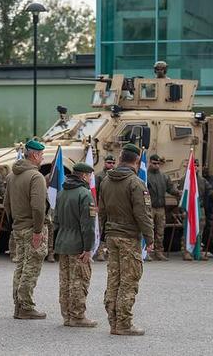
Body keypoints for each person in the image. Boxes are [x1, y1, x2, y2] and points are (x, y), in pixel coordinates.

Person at [98, 143, 154, 336]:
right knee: (129, 280)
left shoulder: (105, 181)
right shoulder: (136, 183)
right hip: (129, 237)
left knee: (114, 278)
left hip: (112, 236)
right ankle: (124, 324)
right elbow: (142, 214)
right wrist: (150, 238)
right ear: (137, 161)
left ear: (121, 158)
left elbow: (101, 212)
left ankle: (113, 321)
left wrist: (103, 236)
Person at [4, 139, 48, 320]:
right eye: (41, 155)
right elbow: (38, 207)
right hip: (31, 228)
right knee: (31, 268)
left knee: (21, 267)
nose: (42, 158)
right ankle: (26, 306)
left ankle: (18, 304)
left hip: (18, 227)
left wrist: (14, 223)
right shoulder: (35, 177)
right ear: (35, 155)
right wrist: (38, 231)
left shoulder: (11, 176)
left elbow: (6, 204)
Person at [54, 162, 97, 327]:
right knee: (79, 281)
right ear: (84, 176)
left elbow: (56, 221)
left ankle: (67, 316)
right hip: (78, 244)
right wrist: (88, 248)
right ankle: (78, 317)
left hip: (63, 243)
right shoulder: (85, 194)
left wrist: (57, 242)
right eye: (90, 176)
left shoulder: (62, 192)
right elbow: (87, 226)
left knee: (65, 281)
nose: (91, 179)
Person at [147, 154, 180, 261]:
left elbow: (170, 189)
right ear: (150, 163)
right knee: (148, 231)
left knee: (160, 231)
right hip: (149, 207)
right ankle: (147, 252)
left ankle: (159, 252)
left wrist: (179, 193)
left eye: (158, 163)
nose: (156, 165)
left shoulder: (164, 177)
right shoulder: (144, 175)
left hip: (161, 207)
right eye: (154, 163)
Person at [180, 159, 212, 261]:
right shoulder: (184, 180)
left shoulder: (202, 181)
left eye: (197, 165)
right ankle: (187, 252)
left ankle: (198, 251)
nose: (195, 167)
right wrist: (183, 210)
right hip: (189, 209)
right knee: (188, 230)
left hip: (199, 209)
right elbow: (181, 196)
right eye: (193, 165)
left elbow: (209, 191)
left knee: (199, 231)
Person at [93, 154, 115, 261]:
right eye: (109, 163)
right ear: (105, 163)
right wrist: (96, 205)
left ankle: (110, 251)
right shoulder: (99, 176)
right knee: (100, 229)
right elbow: (95, 192)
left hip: (112, 207)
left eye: (113, 163)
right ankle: (100, 251)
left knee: (111, 229)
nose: (111, 165)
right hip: (101, 207)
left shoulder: (115, 176)